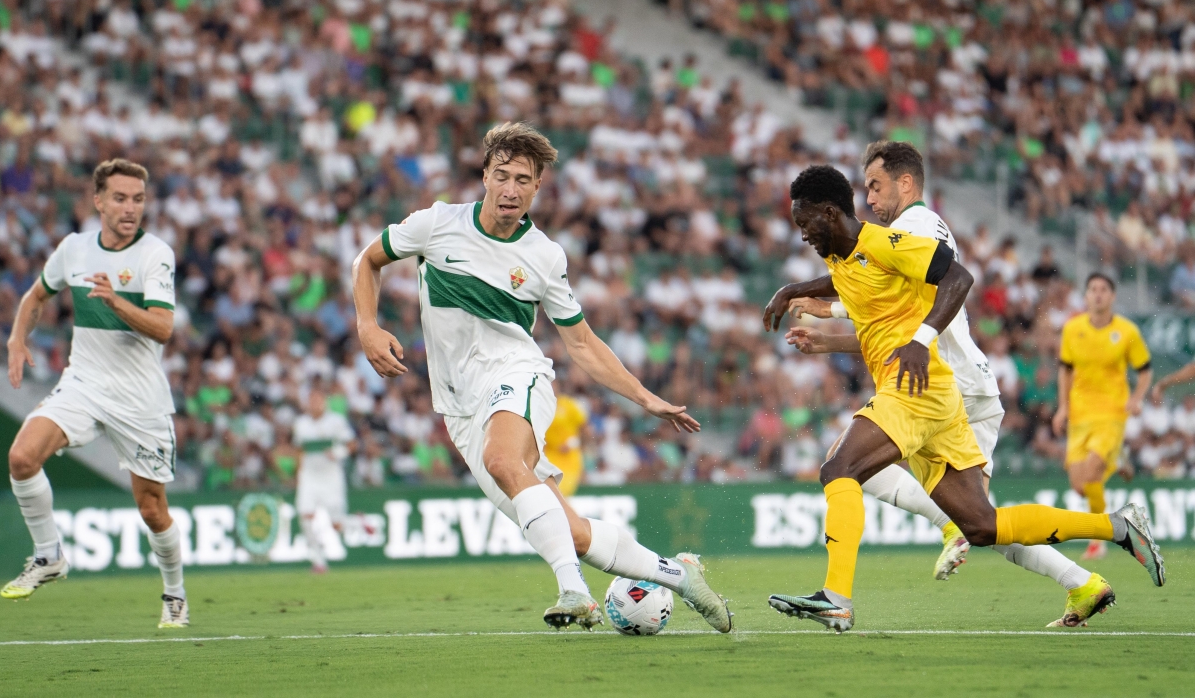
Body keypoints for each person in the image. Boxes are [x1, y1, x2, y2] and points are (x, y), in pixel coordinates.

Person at [352, 122, 731, 632]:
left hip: (519, 375)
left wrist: (644, 397)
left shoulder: (545, 257)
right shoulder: (436, 224)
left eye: (523, 180)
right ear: (484, 175)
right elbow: (367, 260)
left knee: (503, 458)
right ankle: (680, 576)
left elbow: (581, 342)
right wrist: (367, 324)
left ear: (538, 187)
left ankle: (574, 592)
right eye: (502, 176)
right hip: (460, 408)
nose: (511, 189)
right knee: (569, 532)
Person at [764, 164, 1163, 633]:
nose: (803, 235)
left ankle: (836, 597)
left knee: (838, 469)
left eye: (805, 223)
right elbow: (845, 280)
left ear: (830, 213)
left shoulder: (883, 241)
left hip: (915, 389)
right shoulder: (847, 255)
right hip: (939, 398)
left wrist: (921, 337)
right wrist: (793, 290)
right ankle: (1118, 527)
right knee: (983, 526)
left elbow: (959, 277)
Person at [2, 159, 188, 628]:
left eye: (139, 199)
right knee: (22, 457)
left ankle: (174, 593)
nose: (130, 208)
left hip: (139, 398)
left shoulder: (155, 254)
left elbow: (164, 328)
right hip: (83, 384)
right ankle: (48, 556)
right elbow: (36, 296)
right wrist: (17, 339)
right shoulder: (74, 249)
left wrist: (118, 302)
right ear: (98, 201)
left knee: (152, 510)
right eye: (121, 198)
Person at [1054, 274, 1153, 560]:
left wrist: (1136, 399)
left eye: (1104, 290)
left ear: (1112, 297)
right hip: (1080, 414)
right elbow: (1065, 370)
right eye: (1093, 290)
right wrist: (1062, 407)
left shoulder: (1126, 331)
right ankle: (1118, 460)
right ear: (1085, 296)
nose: (1098, 294)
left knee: (1092, 472)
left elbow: (1144, 370)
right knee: (1080, 486)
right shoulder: (1072, 329)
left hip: (1111, 414)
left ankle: (1098, 541)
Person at [294, 387, 356, 573]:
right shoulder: (300, 424)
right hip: (309, 477)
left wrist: (338, 453)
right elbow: (299, 450)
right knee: (305, 516)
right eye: (311, 401)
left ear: (324, 402)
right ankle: (319, 562)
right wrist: (298, 474)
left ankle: (359, 523)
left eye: (318, 400)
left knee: (336, 525)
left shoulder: (336, 422)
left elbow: (352, 444)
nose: (314, 404)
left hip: (331, 478)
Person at [544, 393, 587, 497]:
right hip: (548, 456)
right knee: (550, 494)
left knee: (562, 494)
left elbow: (585, 430)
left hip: (569, 459)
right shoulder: (540, 404)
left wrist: (573, 443)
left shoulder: (568, 404)